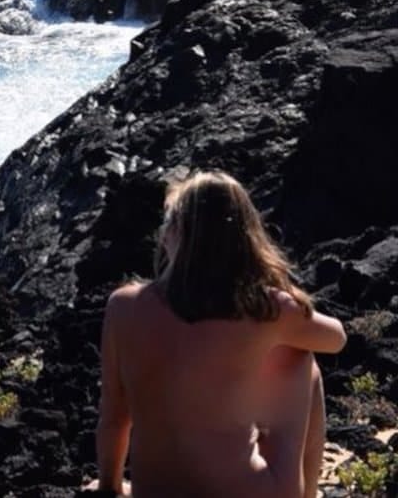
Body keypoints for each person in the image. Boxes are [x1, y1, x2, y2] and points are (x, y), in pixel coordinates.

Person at [95, 171, 347, 498]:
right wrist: (281, 298)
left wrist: (110, 488)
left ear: (172, 233)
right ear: (246, 238)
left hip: (155, 491)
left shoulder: (123, 306)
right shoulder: (265, 309)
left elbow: (114, 416)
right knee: (297, 355)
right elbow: (336, 338)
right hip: (246, 491)